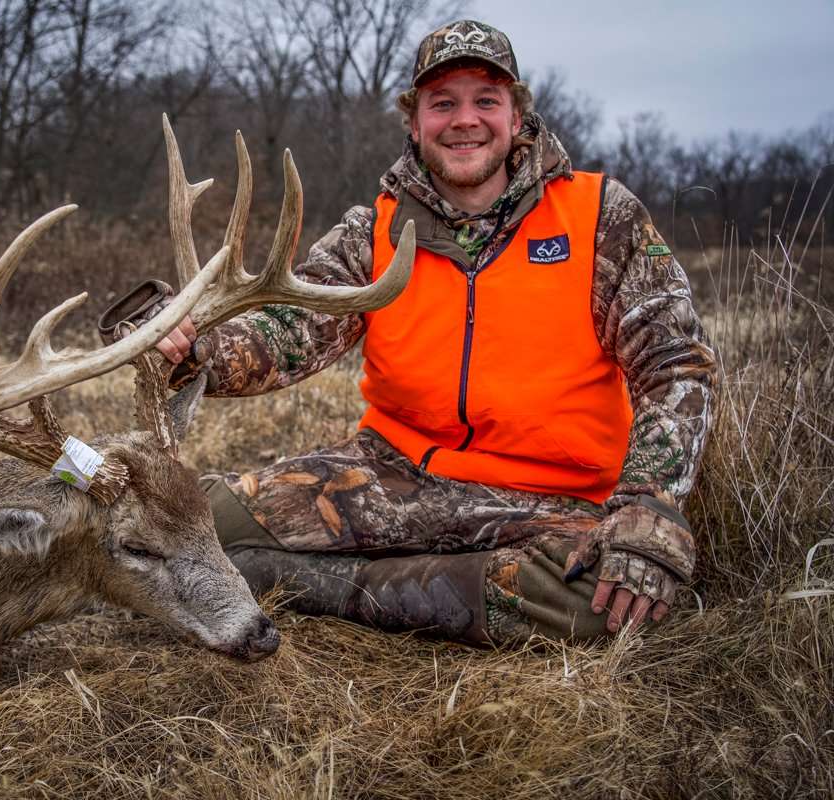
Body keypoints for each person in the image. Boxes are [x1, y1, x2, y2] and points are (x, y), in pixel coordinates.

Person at [102, 19, 717, 646]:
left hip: (549, 499)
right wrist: (197, 348)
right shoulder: (375, 232)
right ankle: (411, 589)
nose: (464, 120)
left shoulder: (601, 216)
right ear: (414, 120)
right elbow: (292, 330)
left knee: (599, 602)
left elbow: (677, 365)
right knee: (198, 523)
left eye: (486, 100)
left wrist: (648, 500)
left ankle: (297, 582)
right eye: (442, 103)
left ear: (517, 114)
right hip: (388, 473)